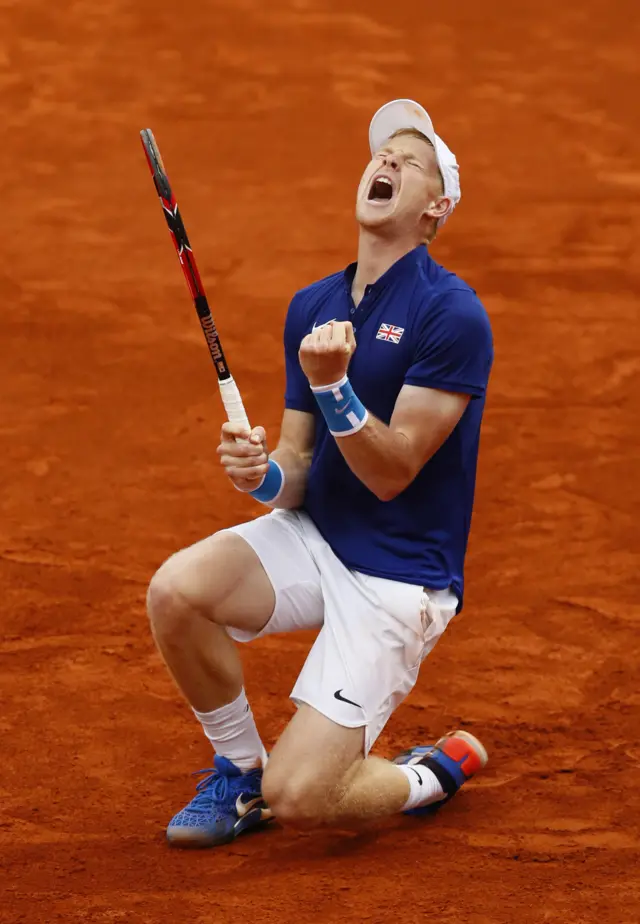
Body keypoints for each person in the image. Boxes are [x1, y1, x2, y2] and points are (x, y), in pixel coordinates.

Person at [147, 98, 494, 848]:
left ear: (435, 209)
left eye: (412, 160)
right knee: (177, 592)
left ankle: (426, 775)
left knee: (303, 797)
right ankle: (239, 773)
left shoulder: (452, 315)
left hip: (398, 580)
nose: (388, 162)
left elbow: (393, 471)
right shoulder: (315, 304)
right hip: (318, 536)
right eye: (382, 154)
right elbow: (299, 470)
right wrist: (261, 477)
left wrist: (335, 386)